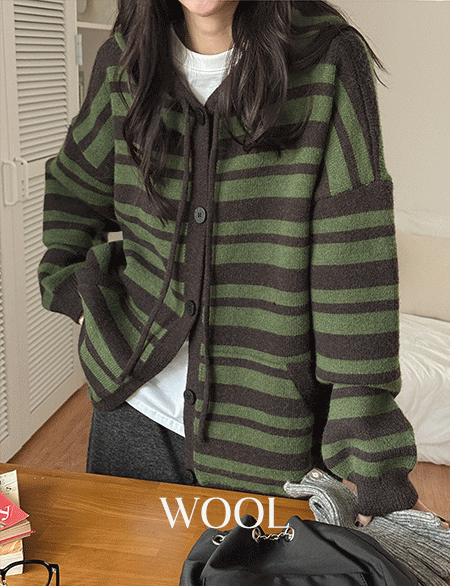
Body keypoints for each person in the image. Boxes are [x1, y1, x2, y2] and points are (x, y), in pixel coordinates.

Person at [38, 0, 443, 527]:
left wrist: (374, 475)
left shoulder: (327, 62)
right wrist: (80, 301)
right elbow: (73, 191)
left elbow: (354, 269)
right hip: (132, 417)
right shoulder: (125, 58)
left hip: (268, 438)